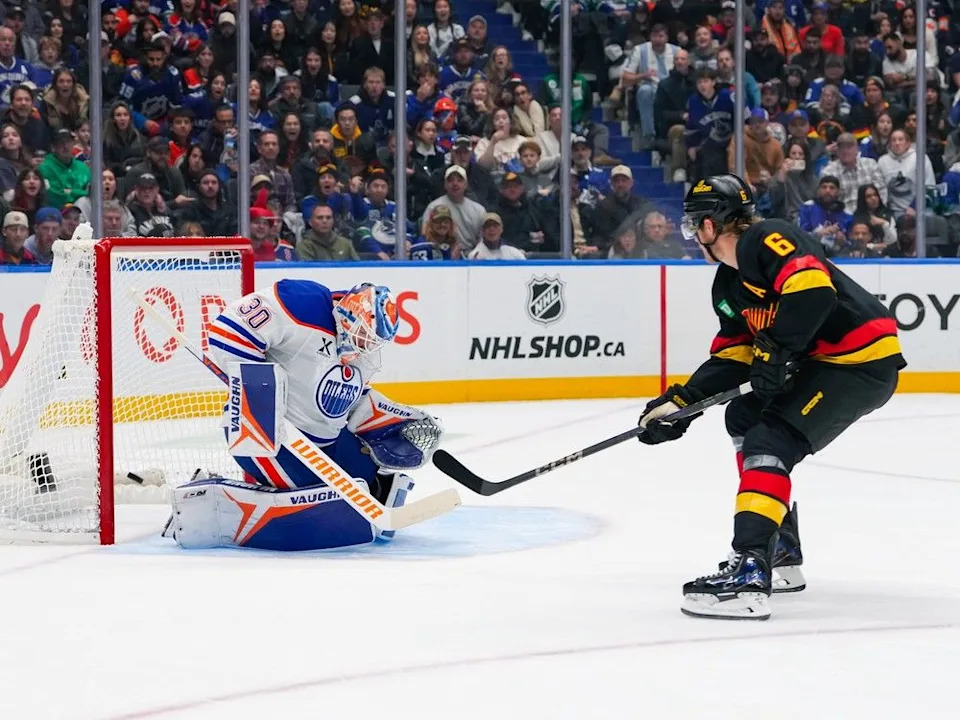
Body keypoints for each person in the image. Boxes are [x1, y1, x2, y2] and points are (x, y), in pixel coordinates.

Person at [637, 173, 905, 620]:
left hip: (859, 361)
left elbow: (813, 292)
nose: (693, 236)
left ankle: (749, 569)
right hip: (824, 362)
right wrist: (683, 403)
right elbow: (735, 356)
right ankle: (779, 551)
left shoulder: (768, 237)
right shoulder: (728, 285)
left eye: (694, 225)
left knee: (769, 439)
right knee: (742, 416)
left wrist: (777, 350)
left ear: (709, 226)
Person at [165, 282, 443, 550]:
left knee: (371, 482)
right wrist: (259, 393)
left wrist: (394, 419)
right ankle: (206, 500)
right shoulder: (304, 304)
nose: (365, 345)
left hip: (323, 443)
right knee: (329, 504)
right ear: (350, 316)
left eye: (373, 341)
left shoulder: (361, 352)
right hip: (265, 437)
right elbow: (228, 330)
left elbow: (349, 402)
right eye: (363, 335)